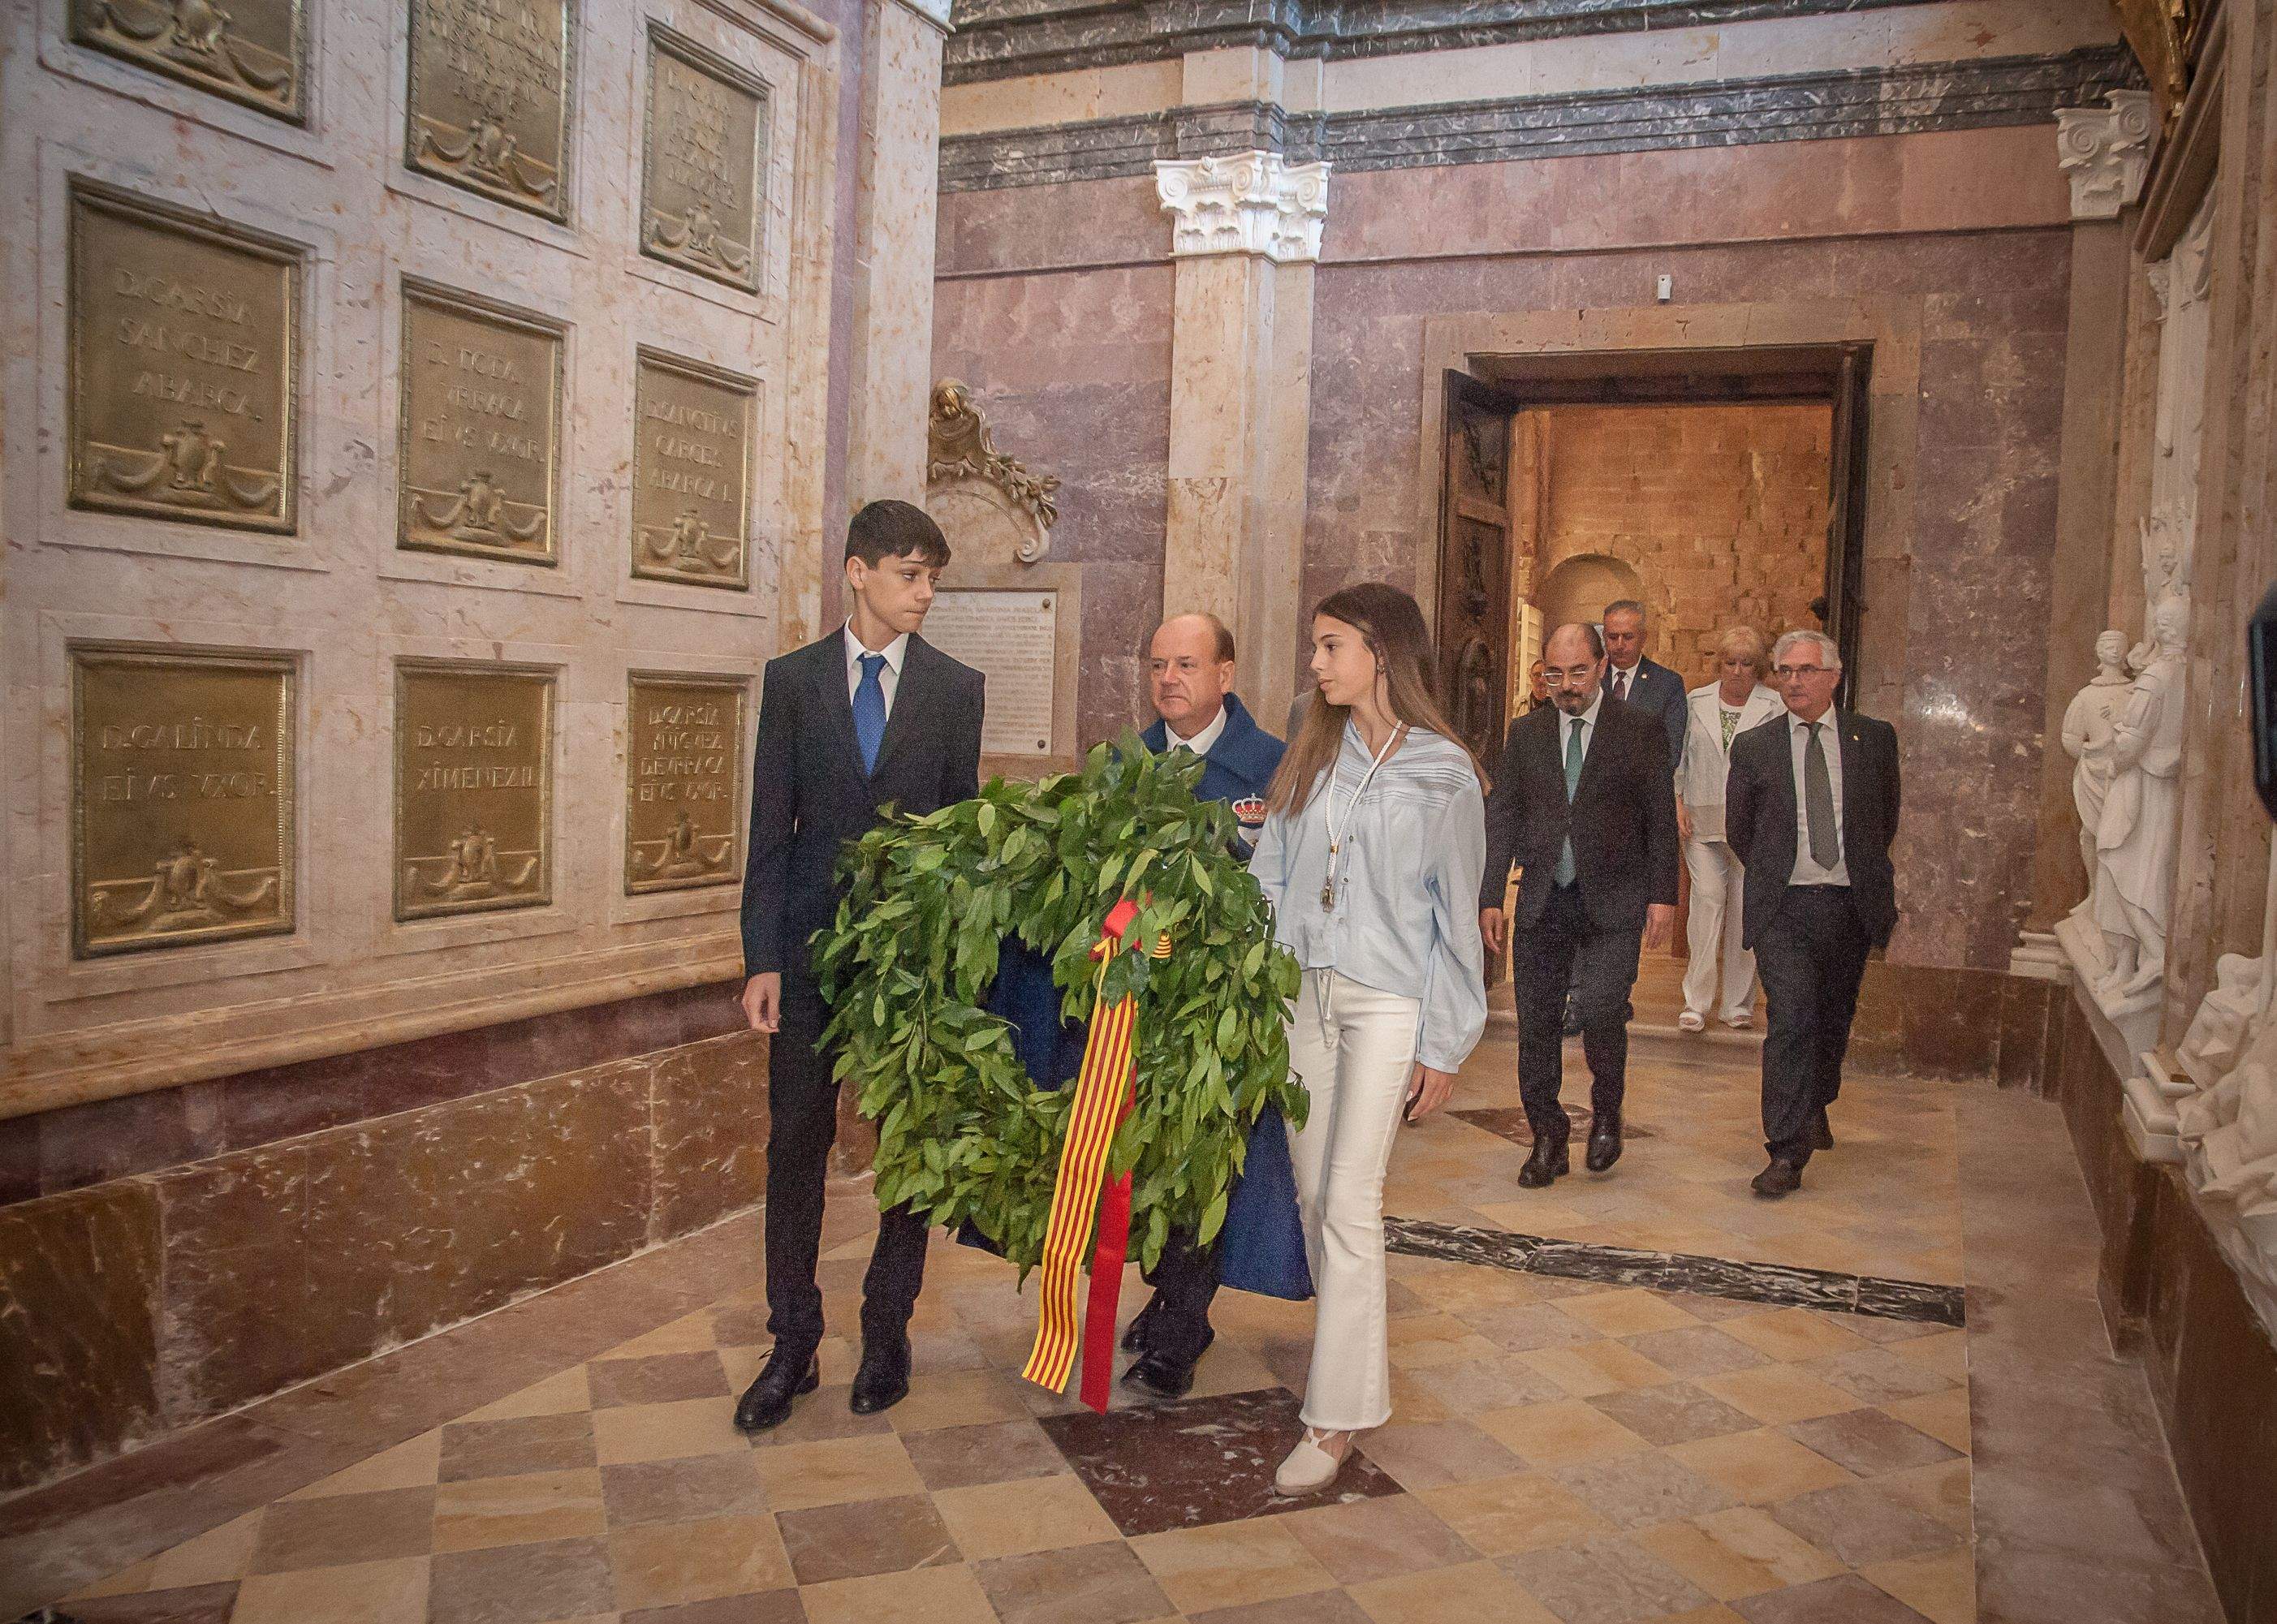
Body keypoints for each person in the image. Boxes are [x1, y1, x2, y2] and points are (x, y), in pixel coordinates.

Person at [732, 501, 986, 1431]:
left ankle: (888, 1332)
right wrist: (761, 955)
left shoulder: (957, 690)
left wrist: (958, 959)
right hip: (804, 956)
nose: (925, 593)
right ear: (858, 571)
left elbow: (962, 836)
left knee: (908, 1150)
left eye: (932, 578)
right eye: (912, 574)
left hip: (911, 964)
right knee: (793, 1144)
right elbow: (771, 830)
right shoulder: (793, 682)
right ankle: (792, 1343)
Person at [1247, 583, 1487, 1497]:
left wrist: (1446, 1041)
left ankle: (1334, 1417)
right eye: (1315, 646)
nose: (1314, 663)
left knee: (1351, 1197)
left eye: (1330, 645)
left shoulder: (1444, 772)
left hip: (1389, 1001)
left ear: (1380, 652)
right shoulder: (1310, 755)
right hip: (1300, 996)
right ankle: (1346, 1384)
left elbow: (1454, 914)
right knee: (1316, 1198)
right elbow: (1271, 880)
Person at [1122, 613, 1287, 1398]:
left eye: (1185, 664)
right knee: (1152, 1156)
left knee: (1210, 1163)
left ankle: (1182, 1326)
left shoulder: (1271, 768)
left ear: (1226, 673)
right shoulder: (1129, 765)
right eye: (1157, 665)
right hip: (1146, 998)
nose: (1168, 680)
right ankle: (1167, 1293)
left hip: (1227, 1006)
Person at [1479, 622, 1679, 1187]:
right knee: (1536, 1023)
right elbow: (1505, 816)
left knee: (1602, 1008)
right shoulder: (1526, 733)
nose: (1565, 685)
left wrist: (1663, 896)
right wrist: (1491, 894)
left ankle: (1607, 1113)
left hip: (1613, 898)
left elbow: (1659, 818)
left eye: (1576, 672)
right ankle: (1547, 1134)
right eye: (1553, 674)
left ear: (1599, 668)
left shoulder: (1638, 730)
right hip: (1544, 895)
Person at [1725, 630, 1900, 1199]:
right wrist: (1780, 872)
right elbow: (1739, 830)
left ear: (1832, 675)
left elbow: (1883, 819)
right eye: (1784, 670)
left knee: (1831, 1017)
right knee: (1791, 1017)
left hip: (1848, 904)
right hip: (1784, 907)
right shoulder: (1754, 746)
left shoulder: (1872, 740)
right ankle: (1784, 1149)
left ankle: (1816, 1099)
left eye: (1804, 670)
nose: (1793, 680)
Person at [1675, 628, 1785, 1032]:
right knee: (1707, 901)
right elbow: (1680, 758)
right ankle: (1697, 1001)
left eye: (1747, 664)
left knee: (1743, 910)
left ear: (1759, 669)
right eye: (1730, 662)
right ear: (1718, 664)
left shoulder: (1774, 706)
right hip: (1701, 820)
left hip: (1751, 825)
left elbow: (1778, 767)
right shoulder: (1695, 701)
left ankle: (1738, 1003)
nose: (1737, 671)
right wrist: (1678, 802)